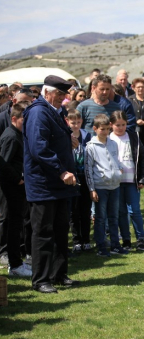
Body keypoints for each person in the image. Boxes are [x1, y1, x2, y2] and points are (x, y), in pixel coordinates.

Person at [23, 75, 80, 293]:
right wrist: (61, 170)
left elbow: (53, 139)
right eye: (60, 94)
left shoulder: (55, 111)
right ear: (48, 93)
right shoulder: (38, 112)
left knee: (59, 229)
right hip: (44, 183)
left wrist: (69, 141)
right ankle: (41, 280)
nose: (64, 98)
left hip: (59, 184)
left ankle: (58, 274)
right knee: (43, 232)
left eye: (65, 94)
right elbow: (39, 149)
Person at [84, 114, 127, 257]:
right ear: (95, 129)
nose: (106, 132)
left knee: (114, 217)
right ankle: (101, 246)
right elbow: (88, 169)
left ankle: (115, 245)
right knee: (100, 218)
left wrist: (119, 168)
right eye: (103, 129)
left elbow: (115, 159)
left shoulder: (112, 143)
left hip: (114, 185)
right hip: (100, 186)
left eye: (108, 129)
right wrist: (92, 189)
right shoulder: (90, 147)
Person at [109, 111, 144, 252]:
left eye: (123, 125)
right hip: (116, 182)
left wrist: (143, 178)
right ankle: (126, 240)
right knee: (121, 212)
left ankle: (140, 239)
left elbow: (143, 158)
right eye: (117, 125)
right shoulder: (108, 139)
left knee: (134, 211)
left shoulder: (133, 137)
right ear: (111, 125)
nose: (120, 128)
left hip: (132, 181)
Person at [0, 102, 31, 277]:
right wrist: (18, 178)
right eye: (24, 121)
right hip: (10, 190)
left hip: (17, 189)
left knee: (17, 226)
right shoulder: (11, 136)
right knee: (13, 226)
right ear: (14, 119)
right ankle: (15, 264)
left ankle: (17, 262)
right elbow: (3, 163)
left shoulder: (18, 134)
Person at [66, 109, 92, 253]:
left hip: (85, 176)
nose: (75, 125)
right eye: (72, 122)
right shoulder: (66, 136)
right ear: (68, 122)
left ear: (81, 122)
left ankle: (86, 239)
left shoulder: (86, 135)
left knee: (85, 210)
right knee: (73, 211)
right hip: (72, 176)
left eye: (77, 122)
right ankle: (76, 240)